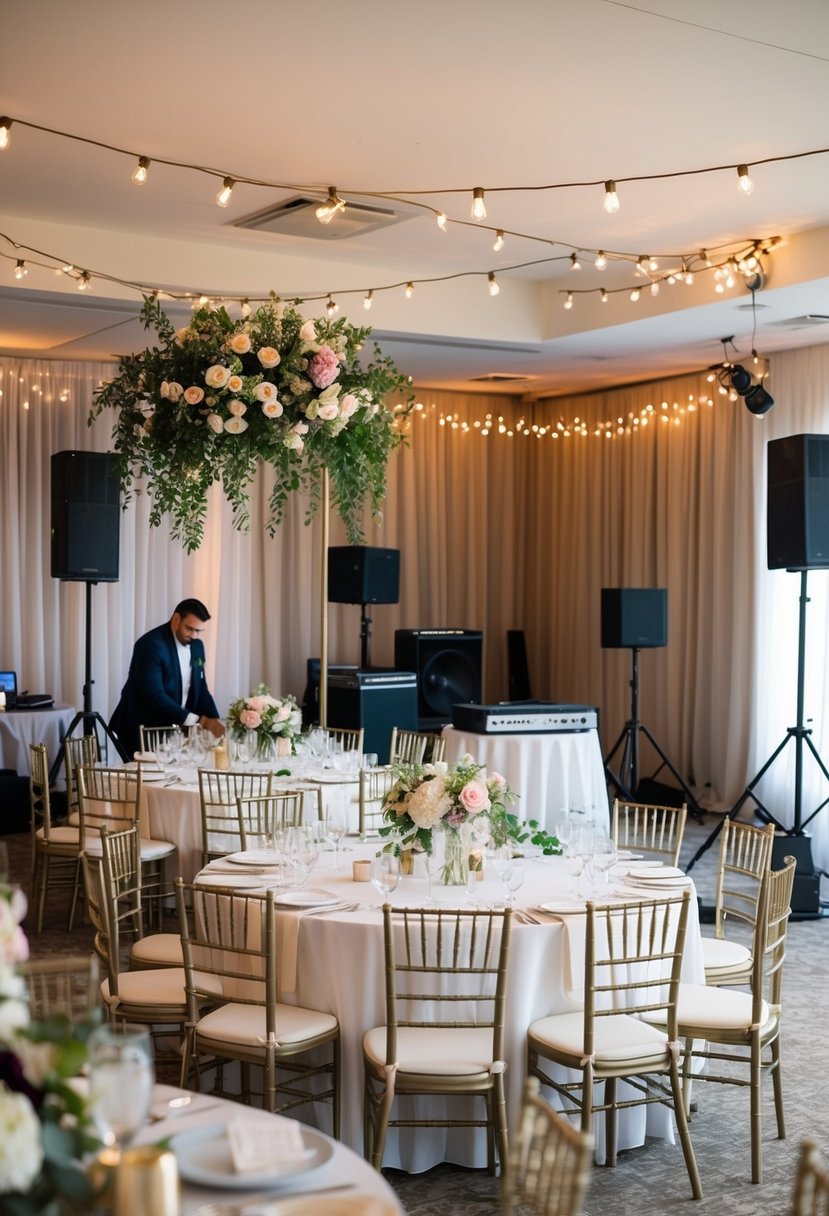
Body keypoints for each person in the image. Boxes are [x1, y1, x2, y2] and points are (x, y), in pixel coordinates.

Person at [109, 598, 225, 759]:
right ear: (176, 619)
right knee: (146, 781)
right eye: (189, 628)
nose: (194, 635)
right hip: (141, 728)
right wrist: (201, 722)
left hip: (171, 729)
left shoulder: (197, 646)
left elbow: (201, 687)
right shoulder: (150, 645)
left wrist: (215, 720)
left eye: (199, 631)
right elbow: (154, 696)